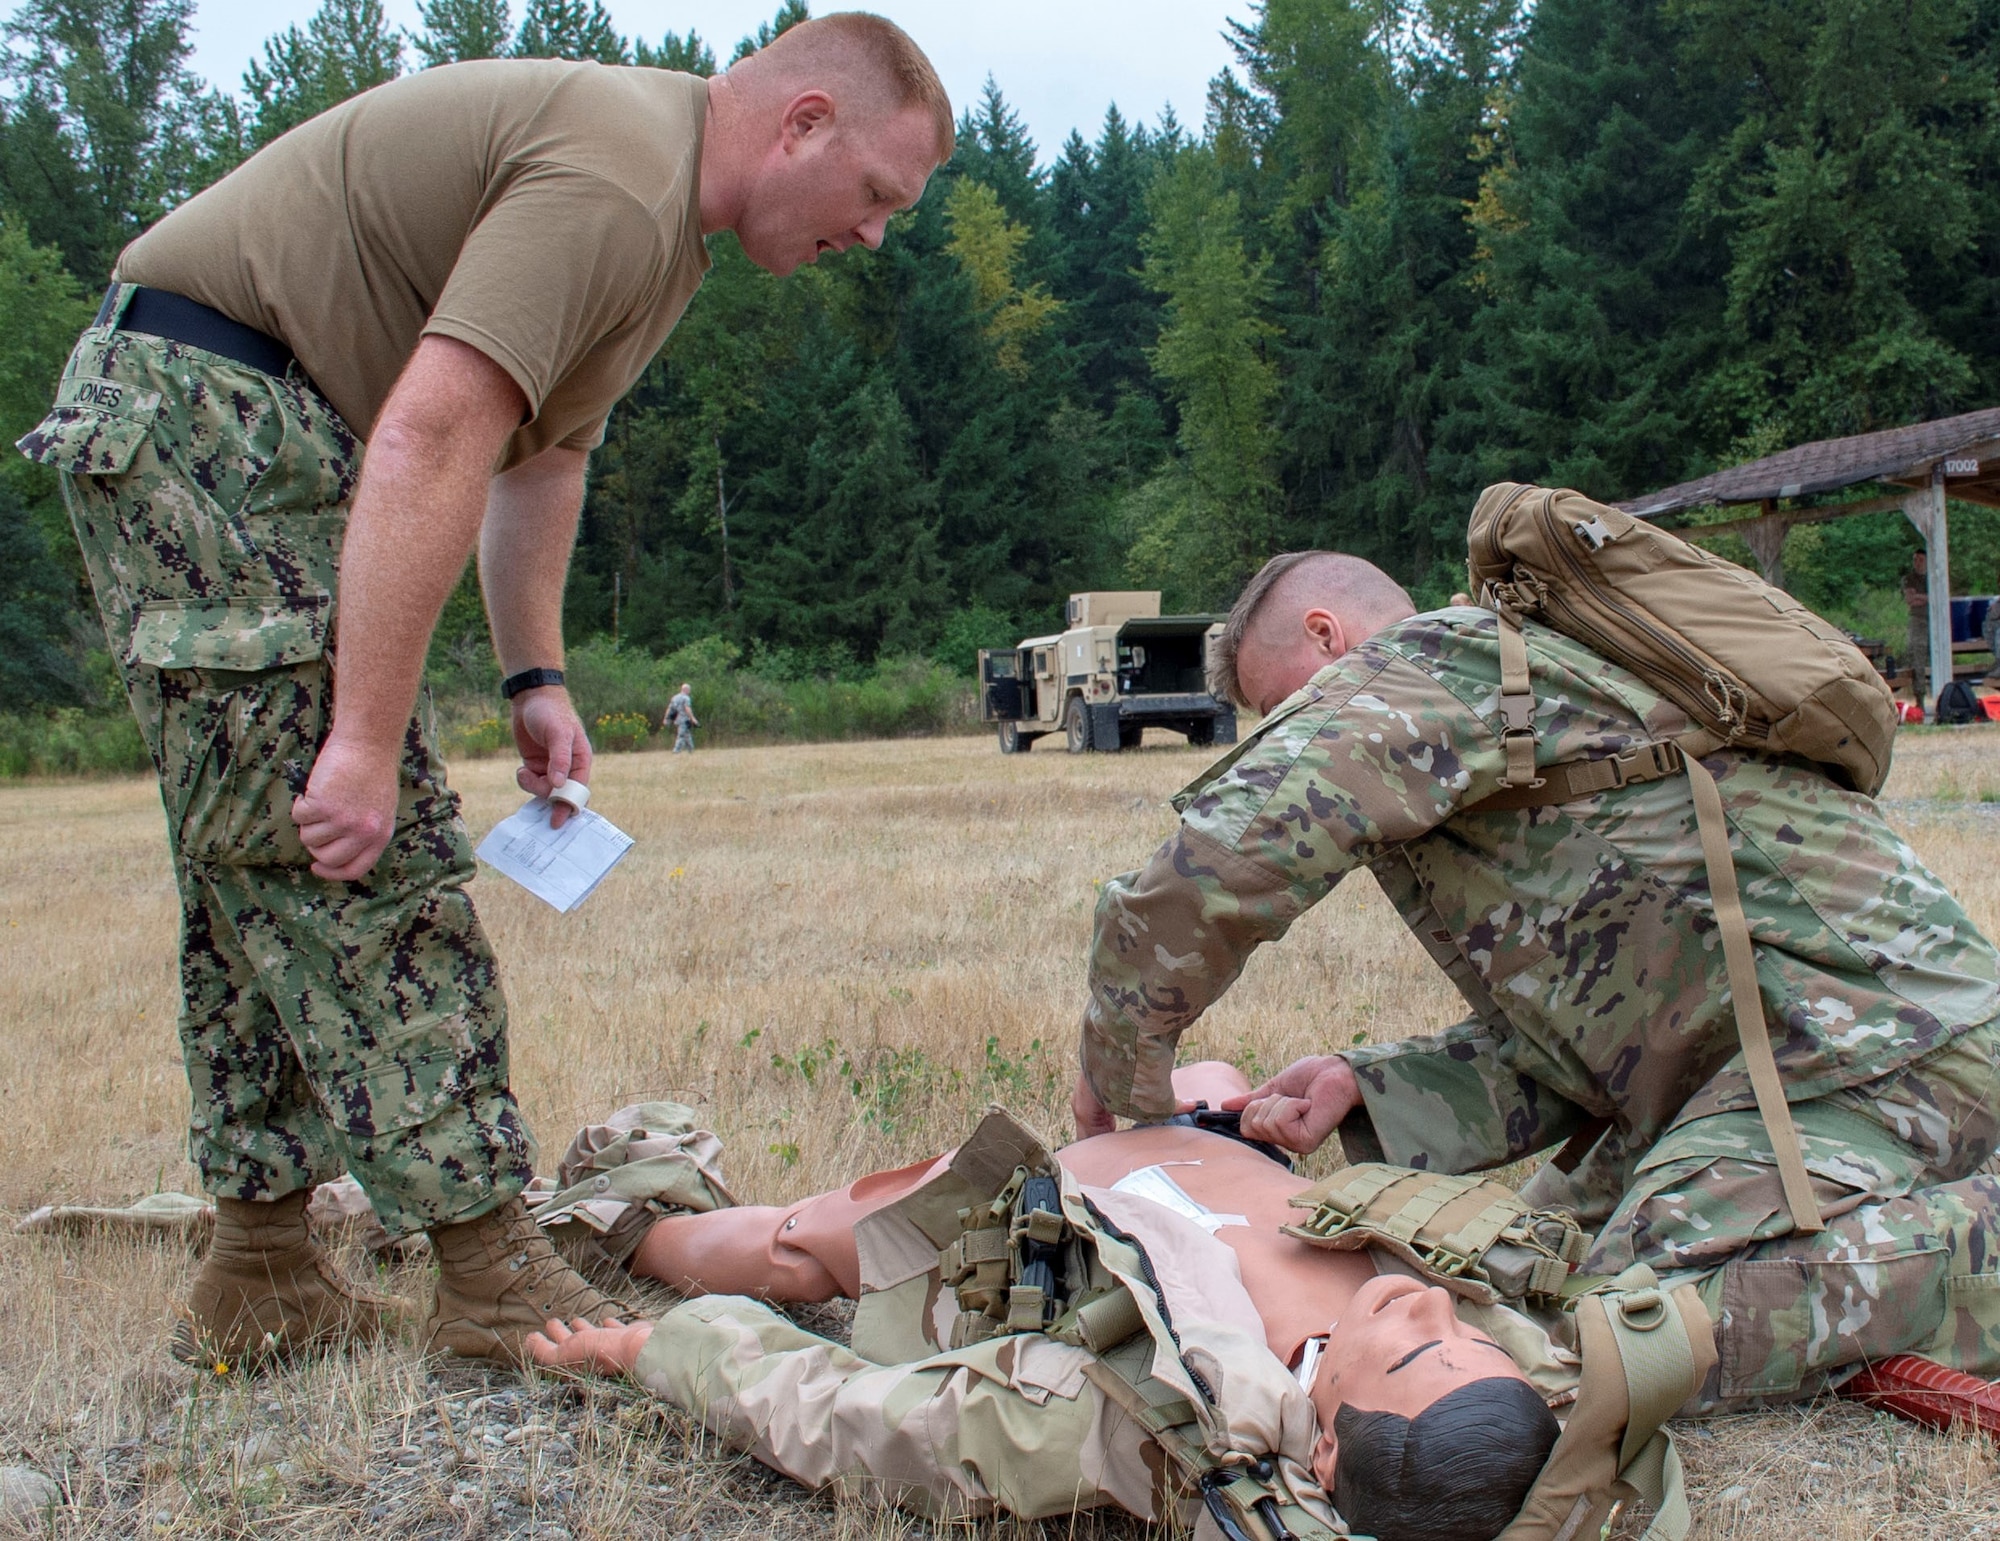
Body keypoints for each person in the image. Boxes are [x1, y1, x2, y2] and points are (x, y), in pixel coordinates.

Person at [18, 15, 954, 1368]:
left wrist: (536, 672)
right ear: (802, 123)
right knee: (355, 844)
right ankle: (490, 1272)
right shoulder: (619, 179)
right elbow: (439, 427)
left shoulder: (667, 225)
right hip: (212, 409)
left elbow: (541, 456)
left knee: (254, 874)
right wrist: (356, 737)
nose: (872, 237)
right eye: (876, 196)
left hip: (239, 414)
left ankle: (266, 1258)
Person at [1073, 549, 2000, 1407]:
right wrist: (1369, 1086)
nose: (1285, 733)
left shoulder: (1435, 664)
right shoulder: (1503, 710)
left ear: (1329, 635)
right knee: (1519, 1268)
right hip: (1777, 1058)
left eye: (1281, 708)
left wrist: (1122, 1066)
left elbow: (1223, 860)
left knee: (1633, 1331)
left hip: (1880, 1043)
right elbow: (1599, 1027)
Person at [525, 1061, 1566, 1541]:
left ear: (1327, 1453)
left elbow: (856, 1423)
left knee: (786, 1250)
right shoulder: (1514, 1356)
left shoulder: (1137, 1417)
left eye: (1406, 1349)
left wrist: (656, 1347)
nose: (1423, 1307)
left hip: (1024, 1210)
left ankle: (614, 1198)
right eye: (1460, 1337)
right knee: (1204, 1064)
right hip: (1196, 1132)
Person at [1903, 547, 1932, 709]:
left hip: (1934, 620)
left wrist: (1922, 597)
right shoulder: (1909, 579)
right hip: (1917, 620)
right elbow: (1910, 599)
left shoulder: (1933, 576)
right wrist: (1927, 597)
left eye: (1921, 560)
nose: (1917, 563)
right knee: (1917, 658)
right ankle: (1920, 698)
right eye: (1915, 559)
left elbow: (1936, 597)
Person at [666, 682, 699, 752]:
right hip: (684, 719)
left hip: (677, 719)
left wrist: (666, 718)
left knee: (687, 735)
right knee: (681, 736)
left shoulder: (674, 697)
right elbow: (687, 708)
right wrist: (693, 718)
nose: (690, 692)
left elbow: (670, 708)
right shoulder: (686, 698)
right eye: (689, 690)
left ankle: (691, 750)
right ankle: (676, 751)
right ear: (686, 689)